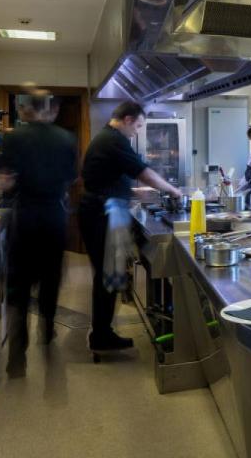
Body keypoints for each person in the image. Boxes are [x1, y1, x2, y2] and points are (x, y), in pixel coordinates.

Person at [0, 92, 77, 377]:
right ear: (49, 109)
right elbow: (72, 177)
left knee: (19, 284)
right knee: (50, 278)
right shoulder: (66, 138)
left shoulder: (14, 138)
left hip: (24, 216)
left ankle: (17, 353)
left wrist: (8, 181)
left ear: (27, 110)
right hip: (54, 216)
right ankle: (48, 331)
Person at [79, 101, 181, 351]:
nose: (136, 131)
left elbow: (116, 176)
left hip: (100, 210)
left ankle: (102, 332)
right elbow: (144, 172)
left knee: (108, 274)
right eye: (137, 126)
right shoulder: (114, 140)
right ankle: (101, 336)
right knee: (107, 275)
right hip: (102, 214)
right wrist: (173, 190)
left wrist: (131, 192)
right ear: (126, 120)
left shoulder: (107, 138)